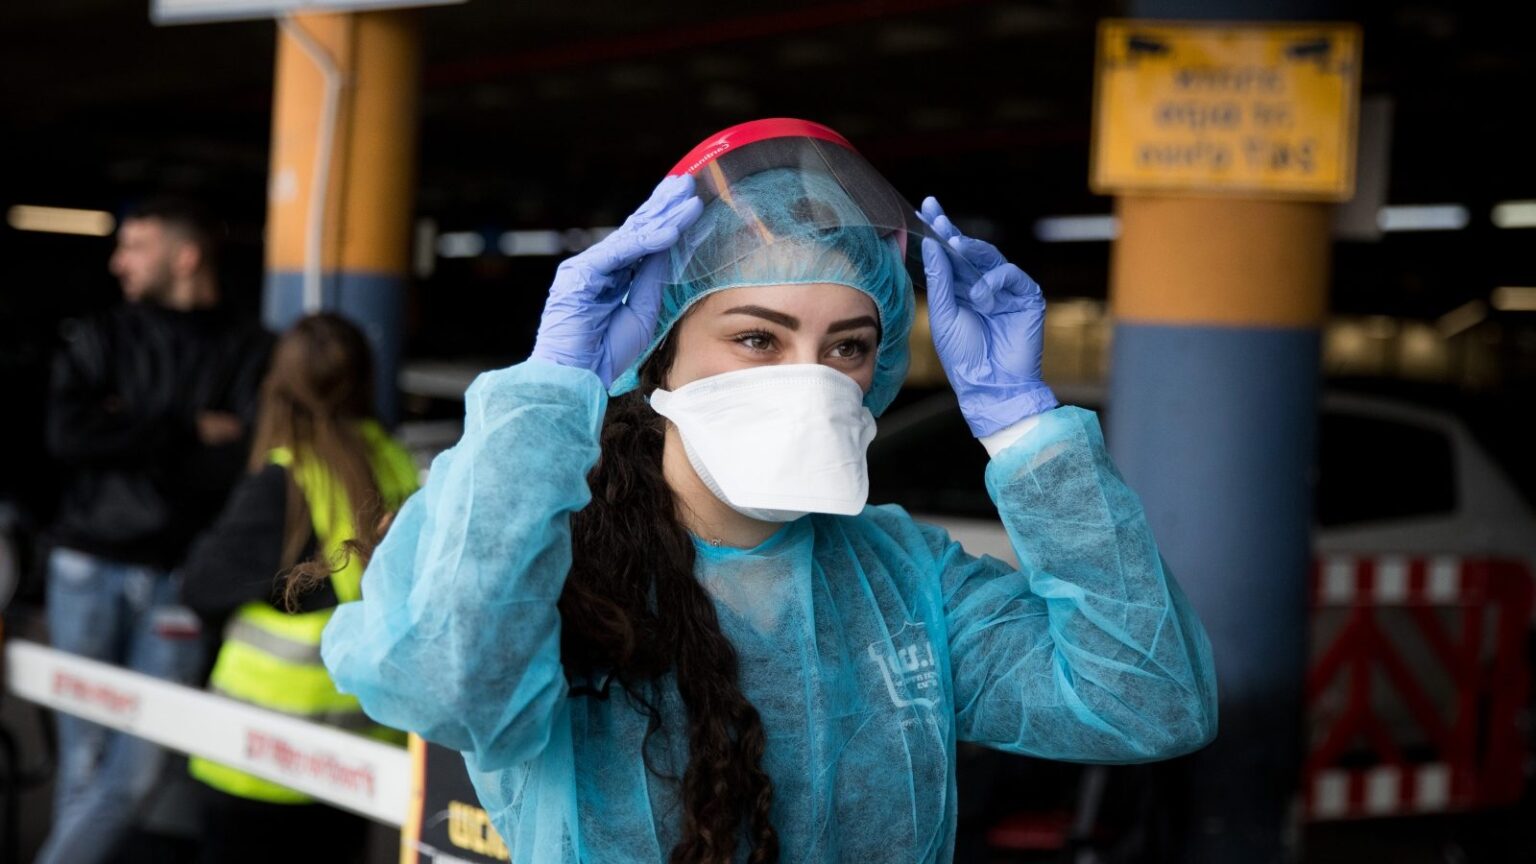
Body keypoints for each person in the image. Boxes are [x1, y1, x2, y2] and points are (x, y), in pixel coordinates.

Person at [322, 119, 1219, 863]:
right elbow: (442, 683)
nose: (812, 377)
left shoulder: (908, 580)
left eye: (848, 346)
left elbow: (1146, 701)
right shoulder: (554, 567)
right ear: (657, 352)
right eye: (758, 338)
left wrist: (1023, 425)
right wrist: (551, 391)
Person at [38, 197, 272, 864]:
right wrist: (185, 428)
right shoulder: (102, 335)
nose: (118, 263)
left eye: (135, 246)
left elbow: (244, 458)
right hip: (87, 566)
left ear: (186, 255)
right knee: (83, 761)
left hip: (180, 579)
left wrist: (128, 425)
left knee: (140, 770)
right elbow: (66, 434)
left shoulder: (249, 347)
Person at [176, 313, 418, 864]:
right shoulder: (395, 461)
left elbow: (201, 587)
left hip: (259, 760)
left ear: (278, 385)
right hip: (359, 756)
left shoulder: (286, 478)